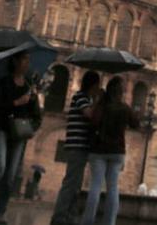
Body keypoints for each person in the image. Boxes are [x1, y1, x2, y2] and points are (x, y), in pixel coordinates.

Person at [0, 51, 40, 224]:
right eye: (24, 59)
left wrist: (31, 127)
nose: (27, 63)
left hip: (19, 134)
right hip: (1, 129)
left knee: (10, 175)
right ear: (15, 61)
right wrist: (16, 103)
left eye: (28, 60)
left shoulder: (29, 87)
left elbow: (36, 115)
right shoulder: (4, 83)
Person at [82, 77, 140, 225]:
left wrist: (98, 100)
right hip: (117, 151)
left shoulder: (102, 106)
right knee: (113, 187)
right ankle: (110, 222)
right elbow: (136, 124)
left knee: (95, 185)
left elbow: (93, 121)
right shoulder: (124, 108)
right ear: (121, 91)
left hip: (99, 150)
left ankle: (88, 221)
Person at [50, 70, 102, 225]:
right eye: (97, 85)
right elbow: (89, 114)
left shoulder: (86, 98)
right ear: (92, 85)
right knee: (71, 183)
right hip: (76, 146)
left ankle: (69, 216)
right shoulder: (80, 97)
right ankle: (59, 217)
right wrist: (98, 101)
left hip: (81, 146)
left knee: (76, 184)